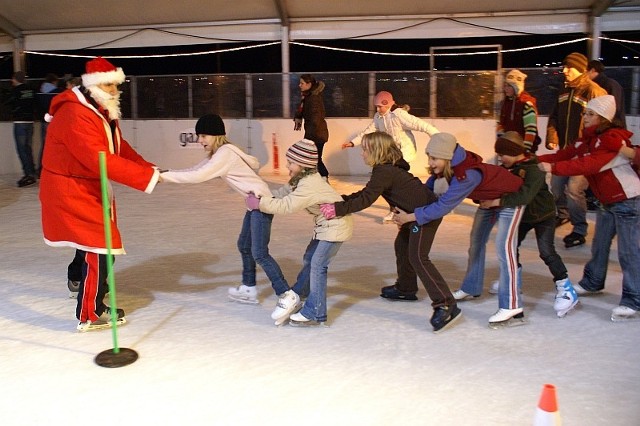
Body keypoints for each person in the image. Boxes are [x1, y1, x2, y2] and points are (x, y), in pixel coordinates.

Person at [39, 57, 161, 332]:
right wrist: (145, 177)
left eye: (116, 84)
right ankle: (91, 312)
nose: (114, 90)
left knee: (92, 242)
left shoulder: (98, 108)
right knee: (103, 246)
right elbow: (99, 158)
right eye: (108, 84)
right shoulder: (76, 114)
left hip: (84, 185)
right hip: (70, 188)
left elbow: (117, 146)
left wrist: (147, 168)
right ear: (93, 84)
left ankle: (76, 278)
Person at [321, 131, 461, 333]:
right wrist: (341, 200)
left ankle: (446, 303)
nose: (362, 154)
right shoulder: (385, 169)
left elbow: (366, 200)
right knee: (402, 245)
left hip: (423, 216)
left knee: (418, 257)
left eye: (365, 150)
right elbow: (365, 193)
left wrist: (337, 209)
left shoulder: (385, 171)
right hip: (412, 215)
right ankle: (406, 288)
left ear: (377, 151)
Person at [393, 133, 526, 328]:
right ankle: (471, 287)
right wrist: (410, 205)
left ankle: (512, 306)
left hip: (509, 201)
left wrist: (411, 216)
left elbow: (444, 206)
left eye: (434, 158)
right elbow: (426, 191)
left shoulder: (467, 175)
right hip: (487, 202)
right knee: (476, 244)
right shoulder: (448, 165)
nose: (430, 162)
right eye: (429, 156)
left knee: (504, 250)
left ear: (447, 156)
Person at [160, 114, 290, 304]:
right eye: (199, 136)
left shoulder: (225, 154)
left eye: (204, 136)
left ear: (216, 135)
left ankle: (286, 293)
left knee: (259, 253)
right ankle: (248, 288)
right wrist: (164, 174)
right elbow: (194, 169)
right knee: (245, 246)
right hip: (254, 204)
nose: (200, 140)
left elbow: (198, 176)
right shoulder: (223, 152)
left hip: (261, 204)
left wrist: (164, 177)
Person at [538, 95, 640, 322]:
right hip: (608, 201)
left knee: (628, 252)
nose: (585, 117)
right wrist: (533, 159)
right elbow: (566, 154)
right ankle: (593, 281)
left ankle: (633, 298)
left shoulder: (611, 139)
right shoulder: (589, 139)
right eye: (585, 113)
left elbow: (588, 164)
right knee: (600, 244)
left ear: (603, 118)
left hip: (627, 200)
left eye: (590, 114)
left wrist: (552, 167)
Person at [245, 139, 353, 326]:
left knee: (318, 266)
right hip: (325, 228)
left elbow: (287, 206)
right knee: (309, 259)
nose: (287, 165)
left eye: (291, 162)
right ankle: (298, 295)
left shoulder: (309, 185)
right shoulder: (300, 180)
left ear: (303, 165)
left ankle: (313, 311)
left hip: (335, 228)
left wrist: (260, 204)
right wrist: (264, 197)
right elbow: (283, 194)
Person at [473, 131, 579, 318]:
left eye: (502, 154)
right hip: (522, 215)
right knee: (510, 248)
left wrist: (496, 202)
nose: (499, 158)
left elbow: (525, 195)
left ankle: (566, 288)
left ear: (514, 152)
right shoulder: (510, 167)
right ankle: (514, 282)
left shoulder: (534, 168)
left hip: (543, 215)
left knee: (546, 251)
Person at [342, 91, 440, 223]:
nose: (377, 109)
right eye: (376, 106)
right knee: (389, 183)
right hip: (392, 153)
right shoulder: (379, 117)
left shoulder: (399, 115)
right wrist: (353, 142)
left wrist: (438, 137)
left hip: (404, 152)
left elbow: (421, 125)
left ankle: (401, 208)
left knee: (391, 182)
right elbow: (368, 131)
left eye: (380, 106)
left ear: (387, 104)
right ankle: (396, 209)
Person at [545, 52, 607, 248]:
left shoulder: (594, 92)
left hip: (584, 154)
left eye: (568, 68)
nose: (564, 71)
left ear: (580, 69)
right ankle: (562, 214)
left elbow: (603, 122)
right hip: (565, 151)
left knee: (574, 189)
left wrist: (593, 147)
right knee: (555, 186)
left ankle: (579, 229)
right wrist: (553, 137)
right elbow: (554, 117)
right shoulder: (564, 91)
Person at [4, 71, 36, 187]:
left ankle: (28, 174)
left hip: (20, 123)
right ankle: (32, 172)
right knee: (28, 149)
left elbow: (7, 102)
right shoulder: (31, 90)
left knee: (22, 150)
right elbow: (34, 103)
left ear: (16, 79)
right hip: (30, 122)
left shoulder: (15, 91)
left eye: (12, 79)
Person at [294, 74, 330, 178]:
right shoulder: (308, 96)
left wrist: (309, 139)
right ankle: (319, 180)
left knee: (315, 160)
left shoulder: (313, 98)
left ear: (309, 84)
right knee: (313, 160)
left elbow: (315, 119)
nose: (299, 85)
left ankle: (324, 178)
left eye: (302, 83)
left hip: (317, 135)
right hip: (316, 134)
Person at [497, 69, 540, 152]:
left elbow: (530, 129)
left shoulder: (526, 104)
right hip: (509, 148)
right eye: (505, 85)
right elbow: (501, 123)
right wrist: (503, 142)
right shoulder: (506, 103)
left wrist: (526, 149)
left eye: (509, 86)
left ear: (517, 87)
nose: (505, 88)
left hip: (523, 150)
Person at [586, 60, 626, 128]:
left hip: (610, 128)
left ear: (592, 70)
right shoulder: (607, 83)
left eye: (584, 72)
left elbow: (615, 110)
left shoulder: (609, 85)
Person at [36, 73, 61, 177]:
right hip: (54, 121)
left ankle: (41, 168)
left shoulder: (40, 91)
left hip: (43, 121)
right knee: (56, 146)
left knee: (44, 145)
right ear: (54, 81)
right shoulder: (56, 92)